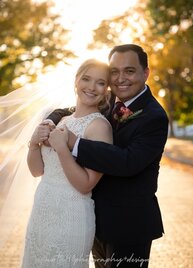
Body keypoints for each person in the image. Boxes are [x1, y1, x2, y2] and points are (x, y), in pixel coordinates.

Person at [46, 44, 169, 268]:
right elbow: (71, 111)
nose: (121, 78)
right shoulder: (108, 100)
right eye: (114, 71)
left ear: (146, 73)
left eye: (129, 71)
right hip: (97, 221)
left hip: (130, 226)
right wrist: (49, 121)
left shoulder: (154, 116)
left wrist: (74, 142)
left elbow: (128, 162)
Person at [21, 59, 113, 268]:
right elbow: (37, 171)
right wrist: (34, 143)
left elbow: (86, 184)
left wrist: (63, 148)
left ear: (106, 90)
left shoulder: (99, 127)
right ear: (76, 81)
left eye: (100, 82)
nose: (91, 87)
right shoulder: (61, 120)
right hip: (42, 209)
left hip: (72, 216)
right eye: (86, 79)